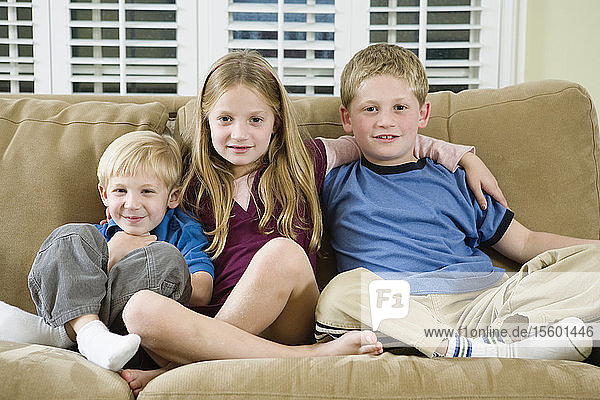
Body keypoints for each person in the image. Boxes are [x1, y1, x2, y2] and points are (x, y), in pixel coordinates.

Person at [117, 50, 507, 395]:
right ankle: (298, 357)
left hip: (289, 314)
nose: (240, 134)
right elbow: (138, 212)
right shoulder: (185, 180)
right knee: (140, 310)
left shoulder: (309, 159)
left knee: (282, 253)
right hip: (207, 324)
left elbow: (385, 138)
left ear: (276, 122)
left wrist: (461, 155)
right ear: (206, 119)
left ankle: (187, 366)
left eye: (255, 119)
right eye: (225, 119)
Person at [314, 43, 600, 361]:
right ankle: (471, 349)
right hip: (394, 308)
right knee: (340, 291)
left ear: (423, 113)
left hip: (479, 302)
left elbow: (526, 241)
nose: (385, 121)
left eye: (400, 108)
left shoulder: (458, 179)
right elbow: (287, 156)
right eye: (371, 109)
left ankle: (512, 341)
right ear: (347, 118)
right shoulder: (334, 178)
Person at [0, 130, 214, 371]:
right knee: (71, 235)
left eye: (147, 191)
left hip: (134, 338)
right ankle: (89, 334)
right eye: (120, 191)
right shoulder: (97, 236)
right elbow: (62, 273)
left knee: (165, 258)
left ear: (172, 196)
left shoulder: (182, 230)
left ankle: (60, 334)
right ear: (104, 194)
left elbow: (202, 291)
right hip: (99, 340)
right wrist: (113, 254)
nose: (132, 204)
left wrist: (146, 257)